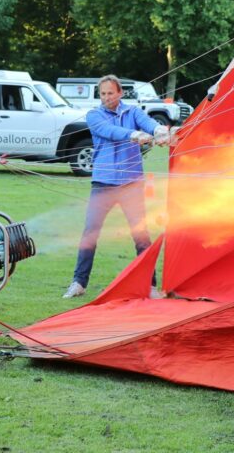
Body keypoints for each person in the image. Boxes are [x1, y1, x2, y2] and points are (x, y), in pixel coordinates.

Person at [63, 75, 172, 299]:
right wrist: (133, 134)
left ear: (120, 93)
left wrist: (159, 131)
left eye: (110, 93)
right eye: (103, 94)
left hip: (131, 184)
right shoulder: (94, 115)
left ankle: (150, 286)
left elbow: (149, 124)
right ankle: (78, 283)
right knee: (90, 233)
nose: (106, 98)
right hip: (102, 184)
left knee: (141, 236)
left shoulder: (133, 112)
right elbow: (110, 132)